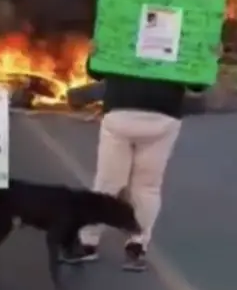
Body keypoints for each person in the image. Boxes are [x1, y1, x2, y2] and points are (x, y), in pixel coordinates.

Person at [63, 59, 210, 271]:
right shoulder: (182, 31)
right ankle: (137, 246)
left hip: (121, 110)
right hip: (164, 114)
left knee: (108, 182)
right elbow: (199, 83)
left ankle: (87, 243)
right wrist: (210, 56)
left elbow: (97, 70)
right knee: (147, 186)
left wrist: (95, 53)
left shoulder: (123, 27)